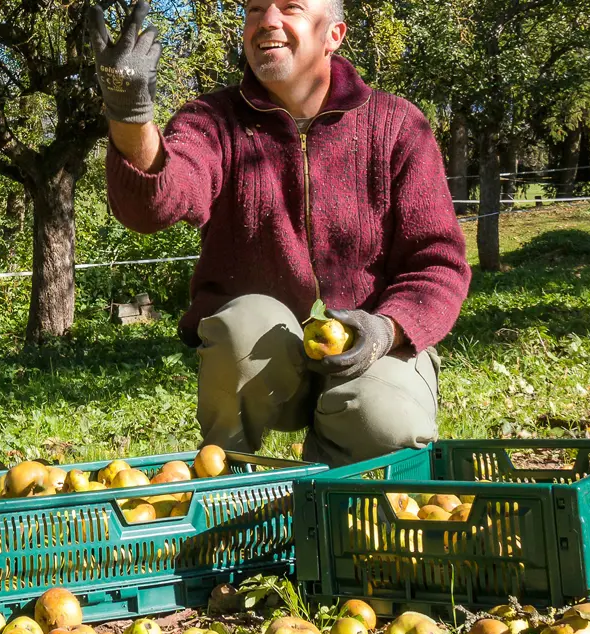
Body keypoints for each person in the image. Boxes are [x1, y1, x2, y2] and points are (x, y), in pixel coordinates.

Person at [86, 0, 471, 466]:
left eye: (289, 7)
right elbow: (156, 202)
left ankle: (324, 483)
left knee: (386, 420)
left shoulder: (397, 126)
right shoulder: (213, 120)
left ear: (334, 35)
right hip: (268, 356)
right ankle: (230, 487)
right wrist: (131, 117)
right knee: (240, 323)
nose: (267, 21)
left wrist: (386, 329)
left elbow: (438, 263)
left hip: (377, 350)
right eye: (254, 9)